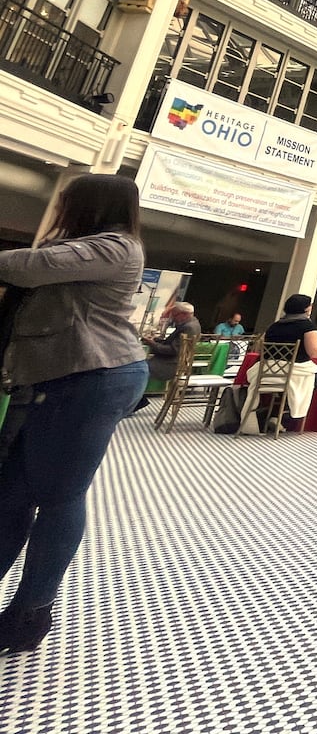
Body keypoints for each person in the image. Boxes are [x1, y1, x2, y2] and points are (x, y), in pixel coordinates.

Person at [0, 173, 149, 656]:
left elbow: (27, 266)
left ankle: (30, 614)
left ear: (91, 204)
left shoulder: (116, 246)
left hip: (93, 376)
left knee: (60, 495)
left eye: (68, 200)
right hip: (62, 378)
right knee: (11, 494)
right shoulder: (93, 246)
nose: (61, 207)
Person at [249, 293, 317, 430]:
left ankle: (277, 411)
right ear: (307, 309)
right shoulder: (308, 327)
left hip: (266, 372)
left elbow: (260, 347)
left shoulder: (274, 326)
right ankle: (286, 415)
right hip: (293, 373)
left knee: (294, 384)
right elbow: (313, 352)